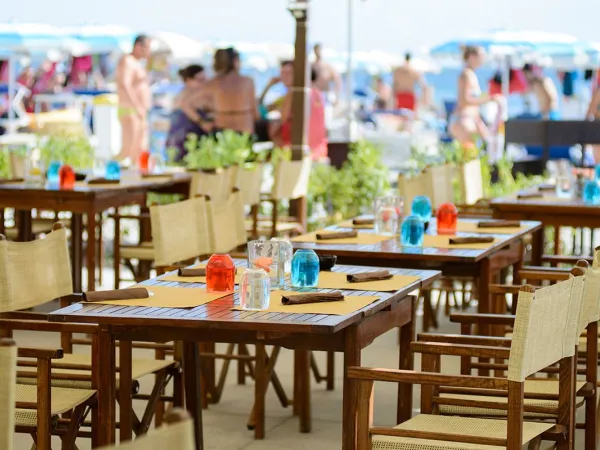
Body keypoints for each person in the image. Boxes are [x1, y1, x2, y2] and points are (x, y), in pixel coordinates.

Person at [182, 48, 256, 135]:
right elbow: (255, 112)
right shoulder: (247, 81)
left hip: (222, 129)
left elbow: (186, 104)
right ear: (235, 61)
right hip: (245, 129)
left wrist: (202, 122)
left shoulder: (213, 83)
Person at [270, 62, 328, 161]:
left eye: (288, 73)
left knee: (272, 130)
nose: (284, 77)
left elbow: (282, 119)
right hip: (319, 149)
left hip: (298, 149)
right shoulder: (317, 92)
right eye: (282, 73)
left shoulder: (293, 92)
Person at [449, 46, 497, 150]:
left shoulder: (471, 74)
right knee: (469, 158)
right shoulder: (466, 74)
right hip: (464, 120)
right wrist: (489, 99)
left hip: (470, 119)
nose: (483, 59)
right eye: (481, 56)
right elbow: (464, 101)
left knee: (477, 154)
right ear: (471, 57)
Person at [116, 34, 152, 163]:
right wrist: (137, 106)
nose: (149, 51)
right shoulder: (128, 61)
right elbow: (124, 84)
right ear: (138, 46)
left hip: (138, 111)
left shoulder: (136, 63)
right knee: (131, 150)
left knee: (139, 149)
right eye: (147, 47)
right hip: (131, 110)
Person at [166, 65, 211, 160]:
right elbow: (185, 106)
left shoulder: (187, 92)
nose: (204, 83)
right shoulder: (190, 93)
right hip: (184, 136)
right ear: (188, 80)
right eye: (200, 80)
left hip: (181, 137)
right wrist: (202, 122)